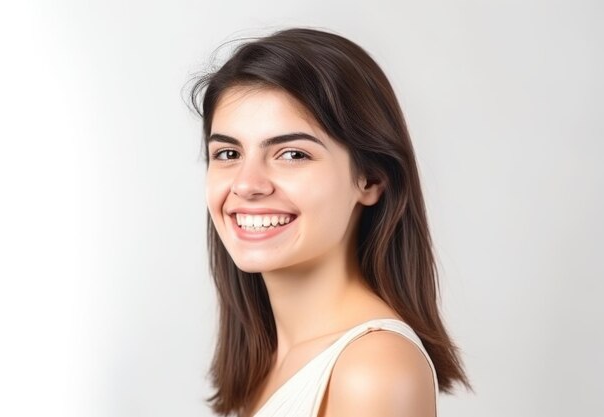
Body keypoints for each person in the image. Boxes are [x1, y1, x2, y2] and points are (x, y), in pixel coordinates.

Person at [187, 27, 472, 417]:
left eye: (292, 154)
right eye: (228, 153)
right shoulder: (269, 357)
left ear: (370, 179)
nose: (246, 184)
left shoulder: (373, 370)